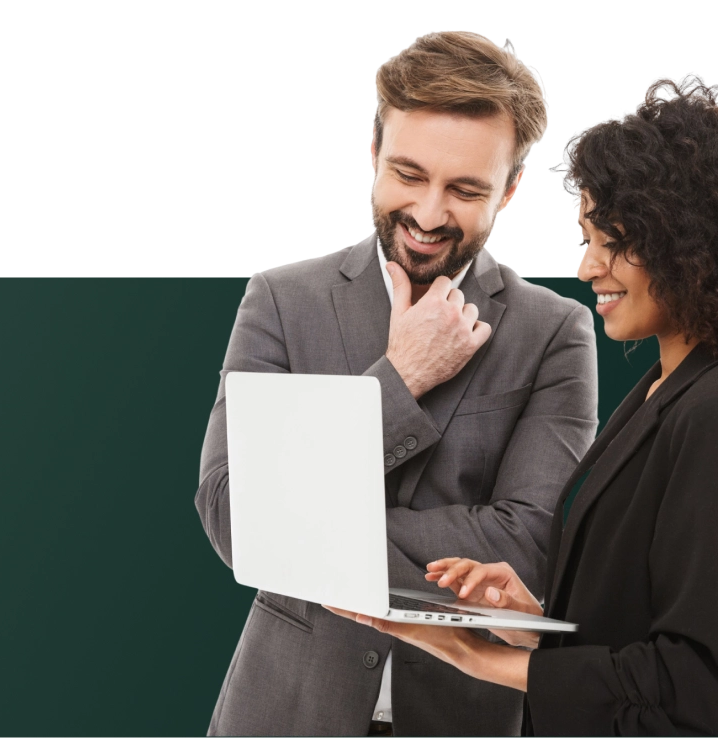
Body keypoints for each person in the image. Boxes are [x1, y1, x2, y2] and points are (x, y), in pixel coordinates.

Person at [327, 74, 718, 735]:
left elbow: (700, 692)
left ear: (687, 246)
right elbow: (643, 649)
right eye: (586, 238)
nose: (587, 266)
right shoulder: (664, 391)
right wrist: (534, 622)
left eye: (611, 241)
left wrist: (474, 656)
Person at [195, 30, 599, 737]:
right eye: (408, 175)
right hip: (284, 714)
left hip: (463, 717)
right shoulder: (282, 300)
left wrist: (304, 526)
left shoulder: (554, 332)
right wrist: (398, 381)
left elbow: (529, 541)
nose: (429, 214)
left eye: (465, 188)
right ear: (374, 155)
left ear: (510, 189)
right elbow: (234, 515)